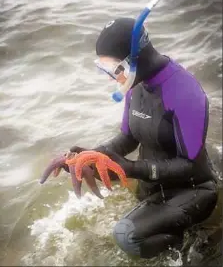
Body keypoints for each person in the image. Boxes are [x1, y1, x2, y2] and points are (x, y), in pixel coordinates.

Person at [44, 17, 219, 259]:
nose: (111, 78)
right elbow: (127, 138)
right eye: (105, 70)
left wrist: (132, 168)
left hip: (193, 190)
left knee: (126, 235)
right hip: (154, 187)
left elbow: (189, 165)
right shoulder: (136, 86)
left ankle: (195, 244)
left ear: (137, 59)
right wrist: (90, 156)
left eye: (115, 70)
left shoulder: (186, 93)